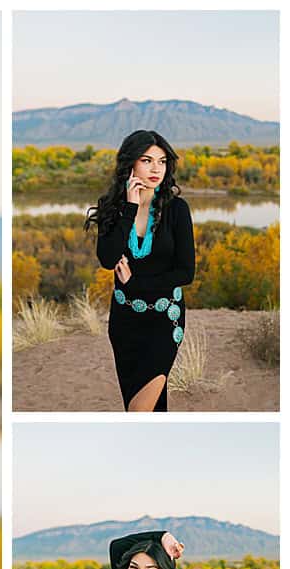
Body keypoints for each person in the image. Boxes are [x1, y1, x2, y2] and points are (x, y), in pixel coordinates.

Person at [88, 130, 194, 412]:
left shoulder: (177, 210)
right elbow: (108, 259)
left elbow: (185, 273)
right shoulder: (112, 207)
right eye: (147, 160)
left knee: (139, 411)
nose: (156, 168)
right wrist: (129, 208)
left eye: (161, 161)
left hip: (164, 320)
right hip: (124, 324)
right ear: (130, 164)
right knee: (149, 409)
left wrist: (136, 283)